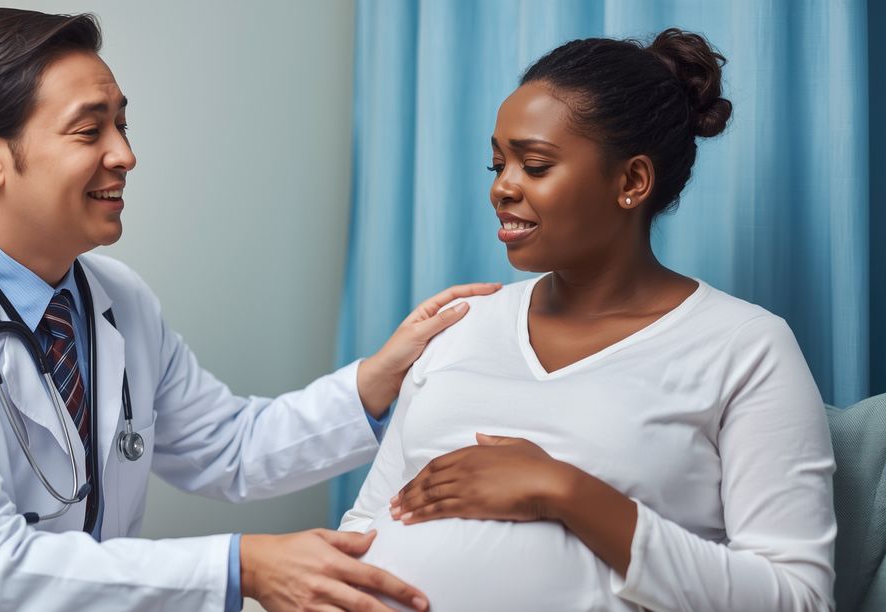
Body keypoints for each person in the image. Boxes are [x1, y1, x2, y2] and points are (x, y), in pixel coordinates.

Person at [0, 9, 501, 612]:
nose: (126, 155)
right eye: (89, 132)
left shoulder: (119, 301)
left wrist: (379, 377)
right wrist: (243, 567)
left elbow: (231, 448)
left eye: (123, 124)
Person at [340, 29, 836, 611]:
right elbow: (366, 524)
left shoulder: (746, 346)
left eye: (536, 165)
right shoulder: (460, 325)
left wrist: (567, 491)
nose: (503, 186)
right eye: (498, 163)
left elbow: (799, 599)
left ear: (631, 182)